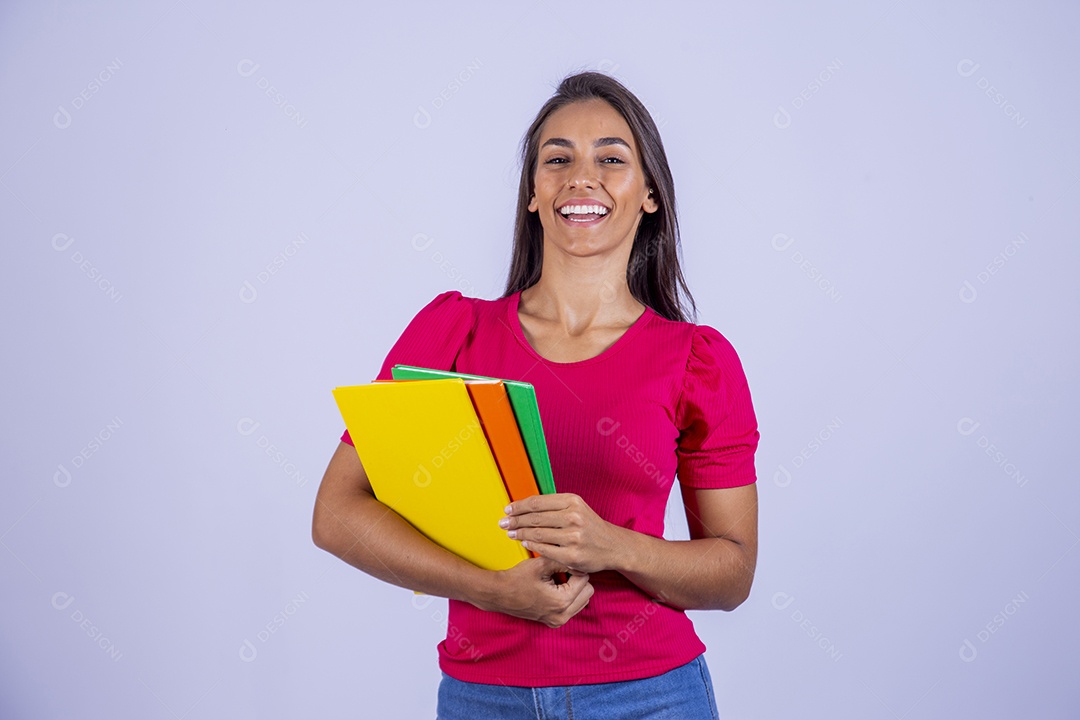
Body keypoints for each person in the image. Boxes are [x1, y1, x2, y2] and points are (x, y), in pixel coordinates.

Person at [312, 71, 759, 720]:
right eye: (558, 160)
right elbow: (337, 515)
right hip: (481, 696)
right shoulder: (451, 333)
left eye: (611, 158)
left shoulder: (697, 361)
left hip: (652, 695)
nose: (582, 177)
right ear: (532, 193)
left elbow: (733, 572)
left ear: (651, 194)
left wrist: (611, 545)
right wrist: (492, 590)